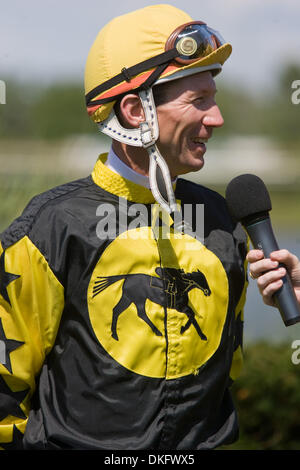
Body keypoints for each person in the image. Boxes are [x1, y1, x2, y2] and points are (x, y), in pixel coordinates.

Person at [0, 4, 297, 451]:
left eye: (213, 99)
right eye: (199, 101)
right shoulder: (48, 228)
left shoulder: (223, 220)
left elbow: (225, 376)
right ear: (135, 111)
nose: (216, 119)